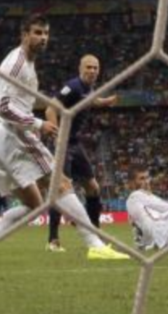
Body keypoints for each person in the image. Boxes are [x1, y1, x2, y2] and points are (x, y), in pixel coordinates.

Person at [0, 14, 129, 264]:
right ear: (24, 35)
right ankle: (95, 245)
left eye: (46, 33)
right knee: (62, 184)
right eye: (37, 32)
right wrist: (39, 124)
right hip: (11, 135)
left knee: (34, 204)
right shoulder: (18, 63)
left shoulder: (25, 63)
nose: (43, 38)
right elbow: (4, 108)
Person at [45, 54, 118, 253]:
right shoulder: (73, 86)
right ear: (80, 68)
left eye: (95, 67)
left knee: (93, 188)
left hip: (75, 144)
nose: (92, 71)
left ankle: (95, 234)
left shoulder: (88, 88)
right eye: (88, 67)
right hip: (64, 144)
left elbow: (91, 100)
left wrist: (105, 102)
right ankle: (53, 240)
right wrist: (57, 137)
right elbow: (50, 109)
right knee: (60, 190)